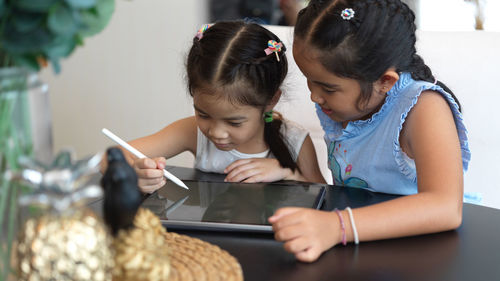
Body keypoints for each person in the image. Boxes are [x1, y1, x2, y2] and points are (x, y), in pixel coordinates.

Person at [268, 0, 471, 262]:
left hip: (423, 253)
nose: (314, 97)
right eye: (309, 80)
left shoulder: (424, 108)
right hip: (357, 244)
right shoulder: (342, 104)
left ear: (385, 82)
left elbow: (445, 207)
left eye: (328, 88)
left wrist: (337, 226)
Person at [119, 21, 325, 193]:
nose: (216, 132)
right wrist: (136, 173)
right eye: (203, 114)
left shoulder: (295, 140)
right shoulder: (190, 132)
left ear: (271, 101)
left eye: (234, 122)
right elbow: (110, 159)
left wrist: (288, 173)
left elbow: (325, 195)